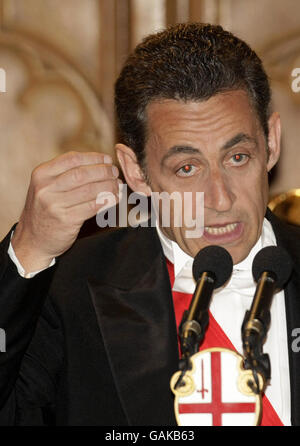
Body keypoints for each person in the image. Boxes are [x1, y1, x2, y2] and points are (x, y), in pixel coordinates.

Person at [0, 22, 299, 426]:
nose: (221, 199)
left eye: (238, 158)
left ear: (272, 142)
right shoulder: (73, 291)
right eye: (187, 168)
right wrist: (28, 252)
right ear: (136, 173)